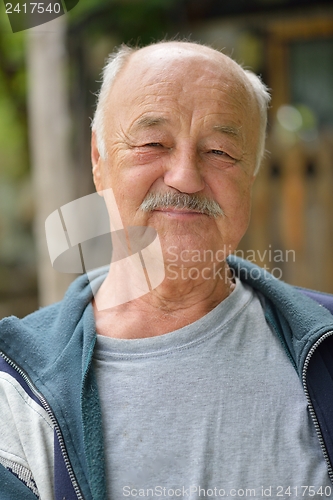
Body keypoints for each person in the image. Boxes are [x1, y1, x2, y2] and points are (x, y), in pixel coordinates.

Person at [1, 41, 333, 500]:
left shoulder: (327, 348)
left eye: (219, 151)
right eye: (153, 143)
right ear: (100, 162)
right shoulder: (13, 390)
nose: (185, 177)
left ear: (252, 174)